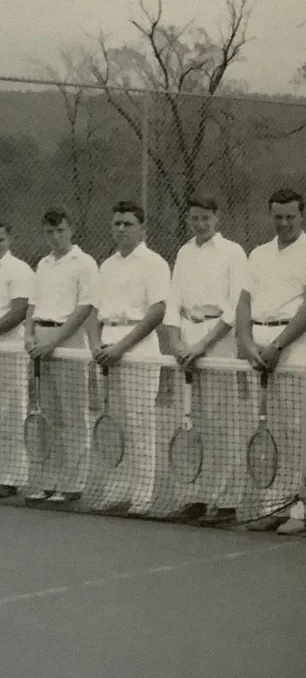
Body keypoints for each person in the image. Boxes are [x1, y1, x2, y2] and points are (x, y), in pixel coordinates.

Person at [235, 188, 306, 537]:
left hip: (297, 348)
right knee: (273, 431)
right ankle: (275, 506)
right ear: (270, 215)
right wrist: (248, 343)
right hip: (260, 349)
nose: (284, 223)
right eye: (278, 216)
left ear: (302, 215)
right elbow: (244, 303)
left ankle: (305, 510)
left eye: (290, 216)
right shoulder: (258, 254)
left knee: (301, 430)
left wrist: (278, 345)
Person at [162, 194, 249, 525]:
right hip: (186, 343)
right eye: (194, 218)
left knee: (221, 425)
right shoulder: (184, 252)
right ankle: (194, 498)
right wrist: (176, 343)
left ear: (217, 217)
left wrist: (202, 346)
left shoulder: (233, 252)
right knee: (189, 421)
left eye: (205, 218)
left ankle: (226, 504)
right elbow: (172, 301)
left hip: (218, 343)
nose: (200, 224)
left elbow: (235, 306)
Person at [85, 201, 171, 515]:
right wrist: (96, 344)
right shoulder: (106, 265)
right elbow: (93, 311)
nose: (121, 229)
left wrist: (121, 347)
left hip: (138, 349)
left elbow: (158, 311)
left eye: (128, 224)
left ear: (142, 229)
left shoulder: (155, 263)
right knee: (114, 423)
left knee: (139, 423)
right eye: (117, 224)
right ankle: (117, 490)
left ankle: (142, 496)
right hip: (105, 348)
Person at [23, 208, 99, 505]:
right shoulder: (42, 264)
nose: (55, 237)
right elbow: (32, 305)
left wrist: (54, 342)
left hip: (68, 343)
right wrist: (29, 335)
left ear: (71, 230)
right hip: (40, 342)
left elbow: (84, 309)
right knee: (48, 415)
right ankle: (49, 482)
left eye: (60, 231)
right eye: (49, 232)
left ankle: (72, 484)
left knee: (73, 415)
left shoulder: (85, 263)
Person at [0, 222, 33, 498]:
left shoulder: (20, 269)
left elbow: (19, 311)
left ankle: (10, 477)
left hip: (9, 350)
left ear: (9, 238)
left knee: (10, 412)